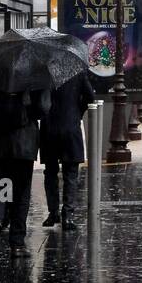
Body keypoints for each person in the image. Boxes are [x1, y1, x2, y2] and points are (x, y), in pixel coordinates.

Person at [0, 84, 49, 258]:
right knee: (21, 193)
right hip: (24, 143)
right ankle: (17, 243)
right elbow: (43, 109)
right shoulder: (34, 77)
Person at [40, 70, 95, 230]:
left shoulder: (44, 73)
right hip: (70, 127)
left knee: (50, 173)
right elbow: (90, 97)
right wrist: (77, 112)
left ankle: (53, 213)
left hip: (48, 129)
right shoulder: (76, 72)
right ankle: (68, 215)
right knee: (70, 174)